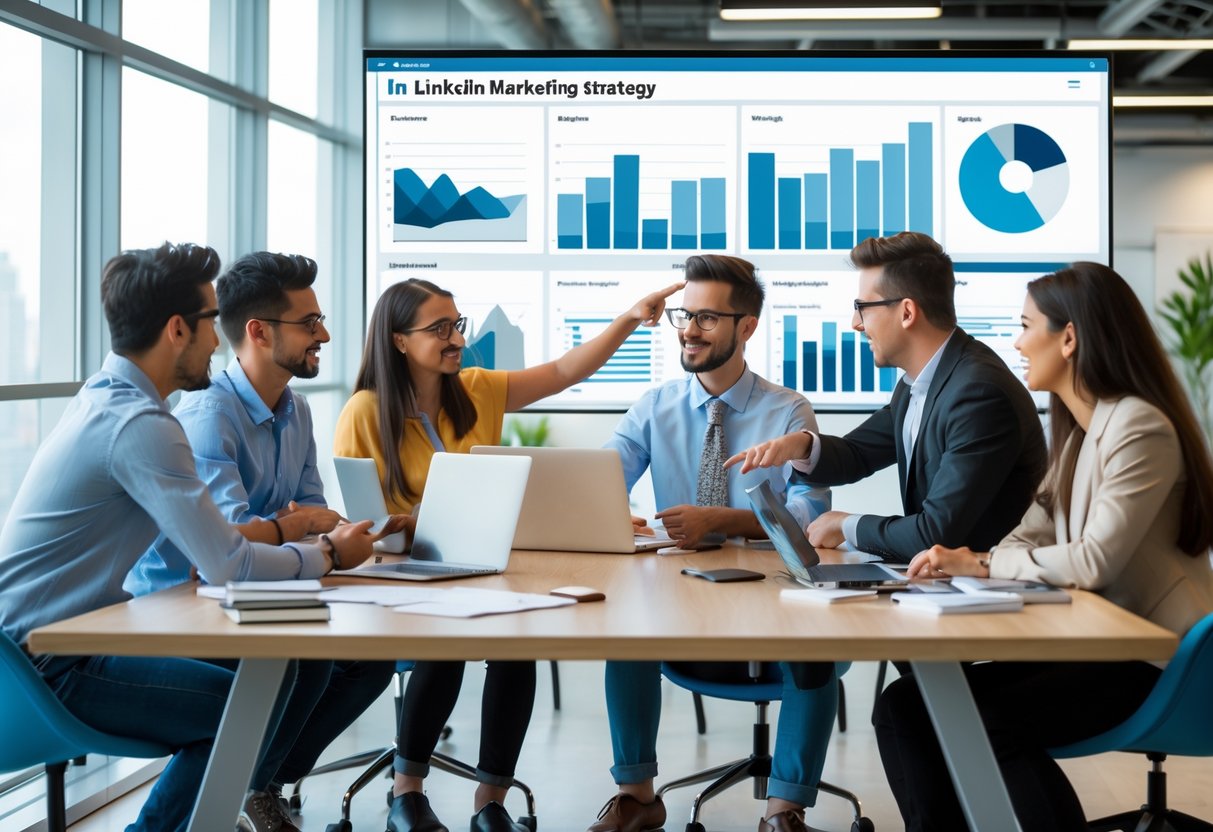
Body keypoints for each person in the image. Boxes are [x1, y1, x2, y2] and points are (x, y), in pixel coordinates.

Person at [0, 243, 381, 832]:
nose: (217, 339)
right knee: (244, 707)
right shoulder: (142, 425)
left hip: (57, 643)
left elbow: (223, 546)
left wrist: (292, 540)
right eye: (209, 321)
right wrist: (328, 552)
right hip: (46, 662)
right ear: (177, 329)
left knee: (269, 681)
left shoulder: (111, 400)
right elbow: (231, 563)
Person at [333, 276, 681, 832]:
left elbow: (567, 371)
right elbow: (365, 521)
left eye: (457, 325)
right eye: (439, 328)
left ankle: (490, 803)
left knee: (518, 647)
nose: (455, 338)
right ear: (399, 340)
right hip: (404, 576)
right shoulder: (365, 411)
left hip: (484, 567)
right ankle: (407, 795)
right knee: (445, 642)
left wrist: (629, 318)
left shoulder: (474, 388)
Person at [874, 262, 1213, 832]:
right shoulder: (1080, 432)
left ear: (1070, 337)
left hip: (1157, 662)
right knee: (906, 707)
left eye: (1027, 324)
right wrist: (960, 572)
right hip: (1100, 645)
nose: (1017, 340)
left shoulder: (1138, 428)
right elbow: (1032, 531)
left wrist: (979, 562)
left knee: (987, 721)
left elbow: (1093, 558)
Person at [125, 251, 402, 831]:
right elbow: (241, 542)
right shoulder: (208, 414)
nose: (323, 334)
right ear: (257, 331)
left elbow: (313, 511)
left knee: (368, 663)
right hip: (184, 602)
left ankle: (261, 781)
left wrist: (304, 529)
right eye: (310, 323)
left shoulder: (296, 409)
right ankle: (248, 786)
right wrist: (303, 531)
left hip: (247, 587)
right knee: (304, 661)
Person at [588, 254, 835, 832]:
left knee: (815, 645)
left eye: (706, 318)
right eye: (683, 315)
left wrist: (727, 519)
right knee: (626, 634)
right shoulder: (655, 406)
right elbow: (597, 481)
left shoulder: (789, 410)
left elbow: (810, 511)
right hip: (682, 602)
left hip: (772, 602)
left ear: (745, 327)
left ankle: (784, 810)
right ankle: (637, 796)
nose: (689, 330)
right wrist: (604, 512)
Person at [726, 231, 1046, 562]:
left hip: (993, 599)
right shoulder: (918, 382)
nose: (855, 323)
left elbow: (934, 534)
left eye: (862, 308)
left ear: (907, 312)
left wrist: (847, 525)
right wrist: (799, 447)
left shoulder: (978, 394)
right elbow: (857, 454)